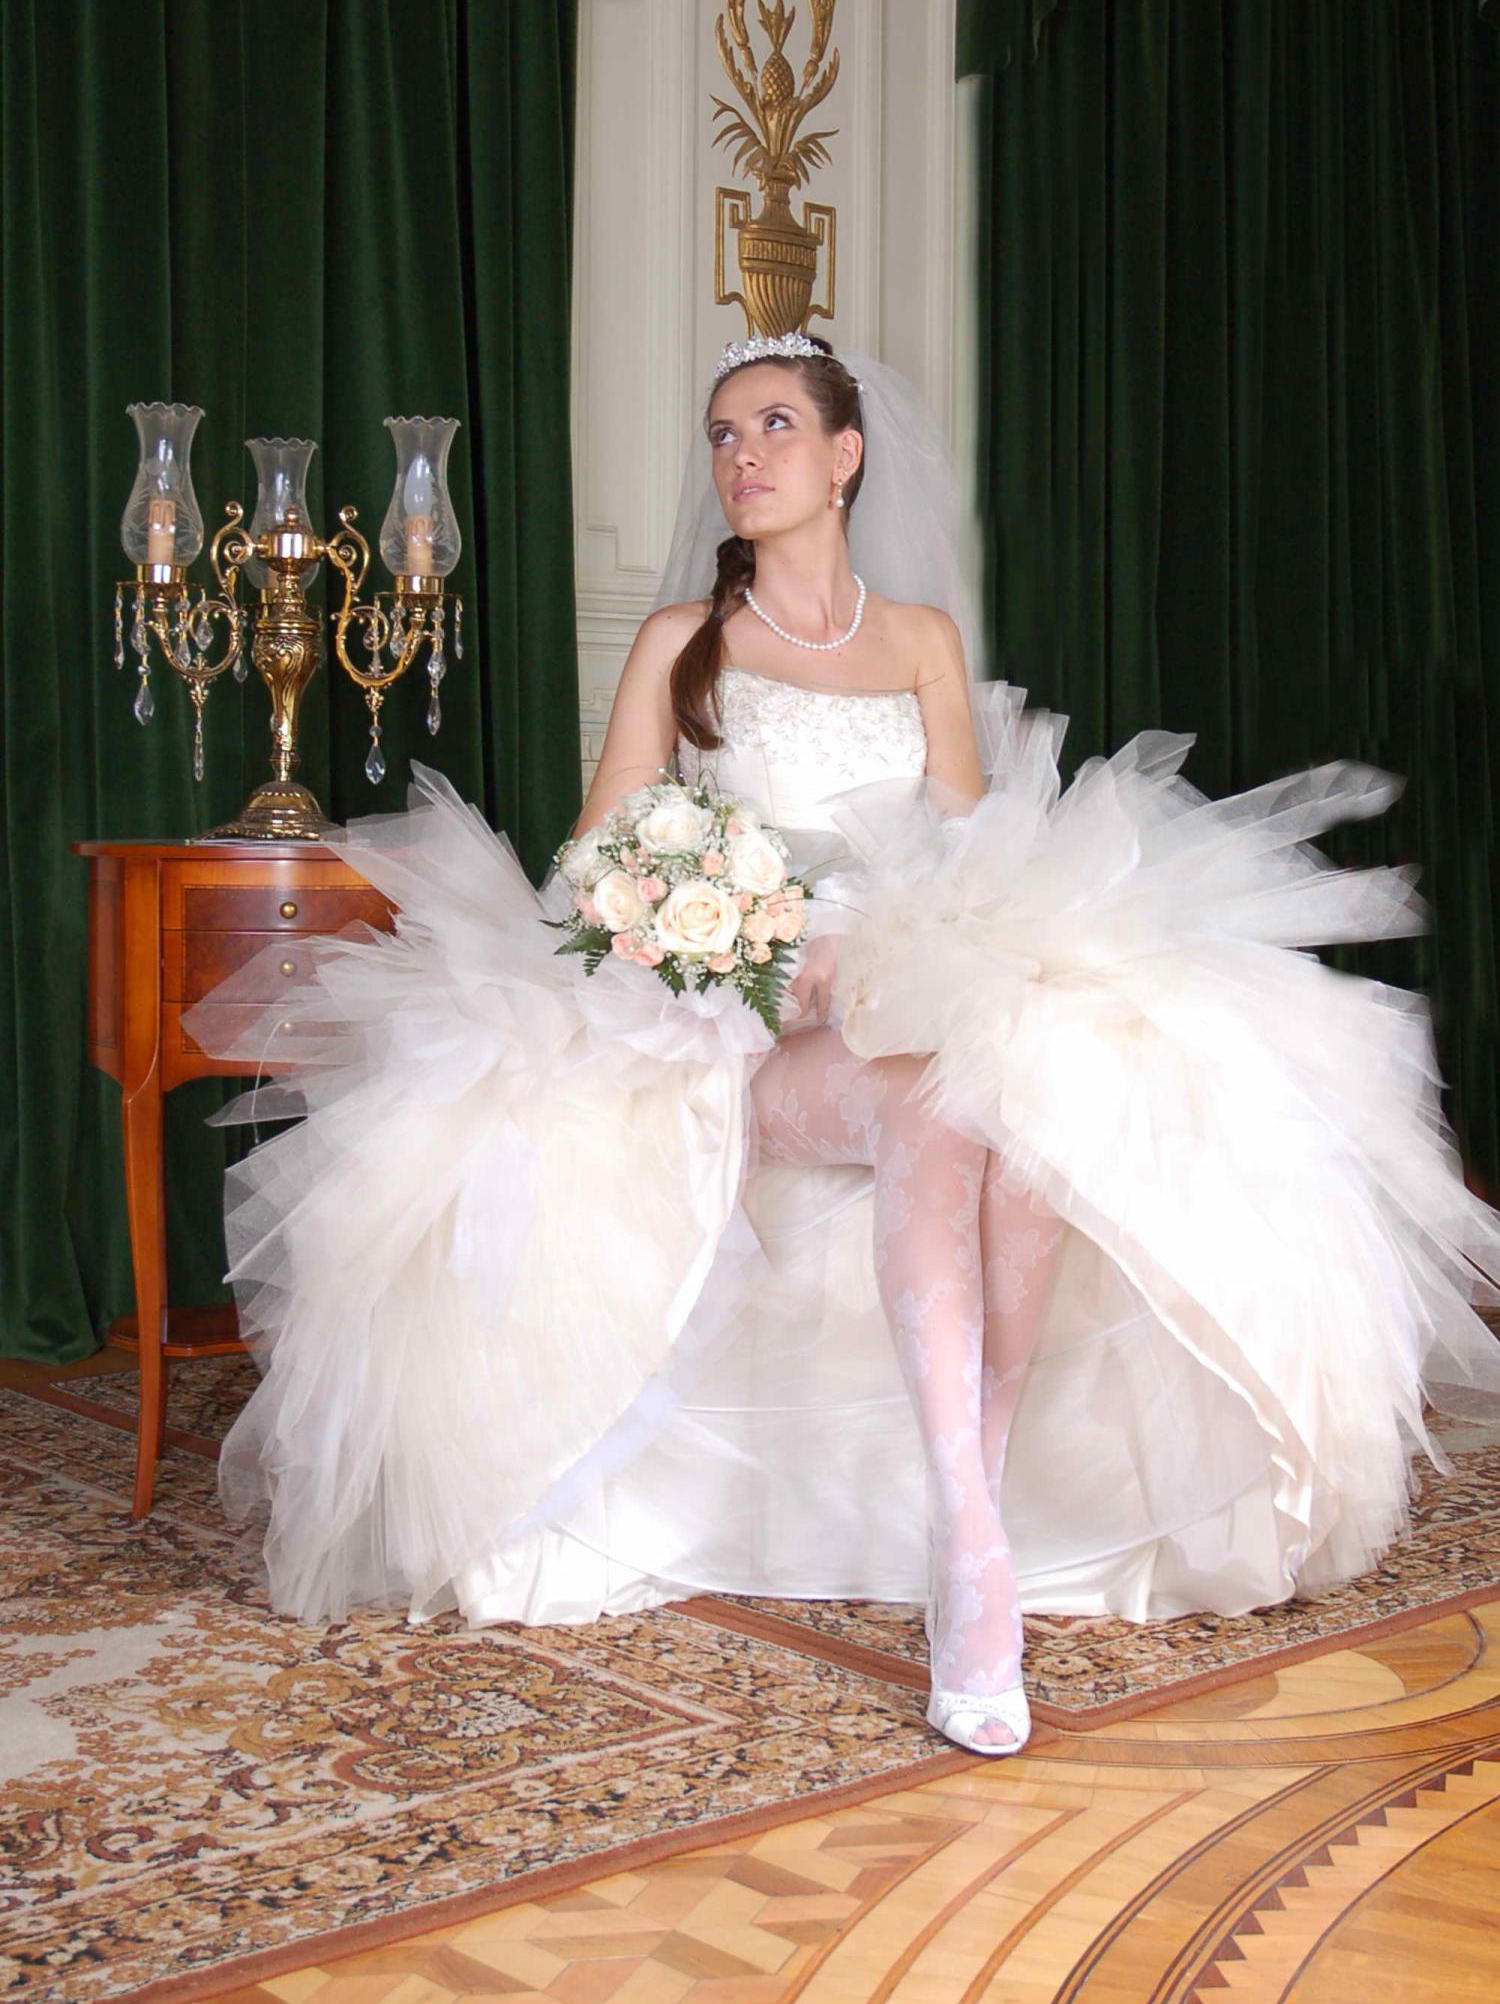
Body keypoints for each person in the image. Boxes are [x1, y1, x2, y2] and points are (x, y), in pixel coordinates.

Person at [193, 333, 1500, 1761]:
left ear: (845, 457)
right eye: (721, 434)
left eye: (772, 425)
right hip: (729, 1025)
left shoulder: (923, 640)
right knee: (938, 1104)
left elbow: (971, 852)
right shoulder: (682, 642)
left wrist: (879, 943)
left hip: (902, 985)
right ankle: (974, 1547)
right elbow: (600, 856)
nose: (741, 456)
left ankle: (969, 1495)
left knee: (1037, 1079)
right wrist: (739, 940)